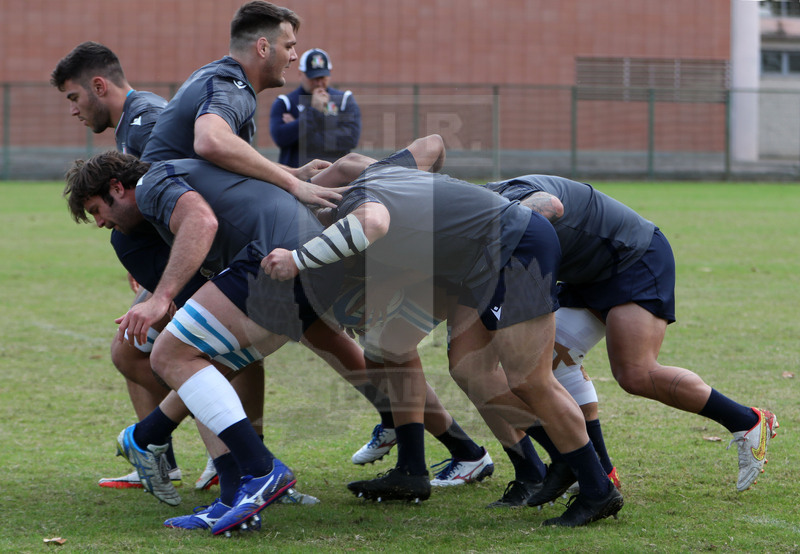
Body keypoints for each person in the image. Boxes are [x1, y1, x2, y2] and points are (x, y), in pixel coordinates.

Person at [263, 147, 624, 527]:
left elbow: (371, 223)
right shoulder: (372, 173)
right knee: (470, 369)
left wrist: (298, 257)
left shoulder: (356, 201)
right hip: (482, 260)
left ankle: (597, 488)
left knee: (531, 381)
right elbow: (411, 156)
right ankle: (562, 461)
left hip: (513, 246)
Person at [62, 151, 365, 534]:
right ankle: (231, 496)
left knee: (170, 353)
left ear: (117, 187)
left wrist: (158, 298)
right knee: (200, 362)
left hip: (280, 260)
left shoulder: (153, 183)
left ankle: (259, 469)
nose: (100, 222)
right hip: (308, 263)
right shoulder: (170, 188)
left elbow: (201, 220)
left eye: (96, 209)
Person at [463, 173, 779, 503]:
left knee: (636, 373)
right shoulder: (480, 214)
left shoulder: (509, 197)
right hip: (585, 272)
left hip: (633, 257)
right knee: (554, 359)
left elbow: (548, 207)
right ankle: (601, 472)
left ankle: (747, 421)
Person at [50, 41, 188, 490]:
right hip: (172, 256)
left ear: (98, 85)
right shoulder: (131, 123)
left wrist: (164, 272)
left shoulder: (147, 121)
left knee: (208, 355)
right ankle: (160, 459)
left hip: (203, 258)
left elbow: (183, 197)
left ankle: (238, 454)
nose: (73, 110)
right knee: (130, 344)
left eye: (73, 97)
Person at [141, 1, 343, 209]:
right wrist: (294, 184)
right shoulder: (230, 86)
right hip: (160, 213)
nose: (294, 56)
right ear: (263, 48)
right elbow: (210, 141)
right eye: (289, 46)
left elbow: (226, 160)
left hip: (161, 202)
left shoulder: (219, 76)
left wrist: (293, 173)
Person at [269, 48, 361, 168]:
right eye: (313, 78)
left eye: (322, 77)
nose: (318, 83)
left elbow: (350, 139)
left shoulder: (344, 100)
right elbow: (280, 138)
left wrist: (299, 129)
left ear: (330, 72)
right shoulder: (285, 102)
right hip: (296, 175)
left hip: (335, 174)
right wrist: (314, 111)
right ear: (300, 74)